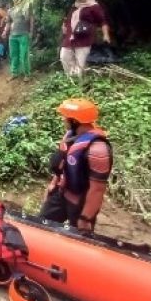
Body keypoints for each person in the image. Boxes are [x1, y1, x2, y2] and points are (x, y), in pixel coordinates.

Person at [39, 99, 112, 234]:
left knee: (80, 237)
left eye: (66, 118)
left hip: (80, 203)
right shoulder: (70, 136)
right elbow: (63, 164)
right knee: (40, 224)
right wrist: (53, 185)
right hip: (61, 194)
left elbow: (97, 189)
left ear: (74, 121)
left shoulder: (98, 149)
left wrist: (86, 218)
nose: (63, 120)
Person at [60, 0, 111, 77]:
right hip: (69, 40)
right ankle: (71, 81)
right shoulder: (74, 7)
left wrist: (106, 35)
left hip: (84, 41)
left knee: (81, 66)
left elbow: (103, 21)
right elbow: (67, 19)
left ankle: (80, 85)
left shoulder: (94, 7)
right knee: (64, 58)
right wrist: (64, 26)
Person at [3, 0, 34, 81]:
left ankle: (27, 74)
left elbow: (31, 19)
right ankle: (14, 73)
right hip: (12, 35)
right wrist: (5, 32)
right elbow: (8, 22)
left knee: (24, 55)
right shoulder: (10, 10)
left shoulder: (26, 7)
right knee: (13, 55)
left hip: (23, 34)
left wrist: (31, 32)